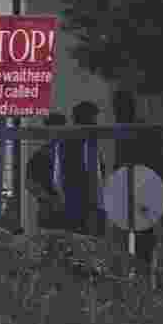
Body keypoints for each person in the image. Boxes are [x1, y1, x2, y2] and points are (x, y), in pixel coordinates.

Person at [112, 90, 163, 265]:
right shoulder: (121, 131)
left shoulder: (138, 130)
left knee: (143, 243)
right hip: (132, 192)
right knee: (132, 245)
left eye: (120, 108)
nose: (117, 113)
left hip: (144, 190)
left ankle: (142, 278)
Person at [63, 101, 106, 236]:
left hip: (87, 203)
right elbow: (77, 175)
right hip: (82, 204)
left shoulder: (87, 141)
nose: (96, 123)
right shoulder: (74, 143)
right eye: (94, 119)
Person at [27, 112, 68, 230]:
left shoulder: (40, 155)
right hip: (52, 211)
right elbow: (30, 184)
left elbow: (30, 184)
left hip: (53, 211)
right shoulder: (41, 156)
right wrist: (51, 200)